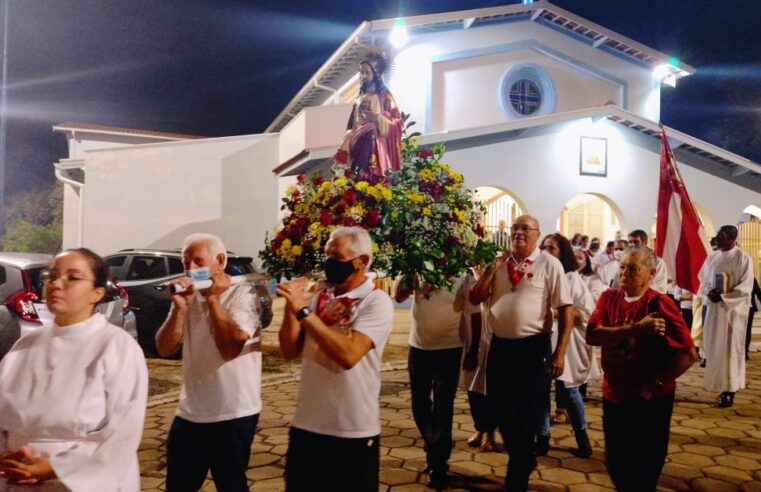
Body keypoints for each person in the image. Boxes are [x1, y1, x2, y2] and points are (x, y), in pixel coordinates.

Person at [0, 248, 148, 491]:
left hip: (81, 481)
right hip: (19, 478)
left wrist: (53, 468)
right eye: (52, 276)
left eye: (73, 277)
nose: (57, 284)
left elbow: (123, 430)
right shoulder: (25, 345)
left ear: (96, 293)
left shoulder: (117, 346)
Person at [277, 226, 394, 492]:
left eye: (336, 256)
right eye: (327, 255)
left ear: (361, 262)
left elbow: (348, 355)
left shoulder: (375, 302)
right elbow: (289, 351)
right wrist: (290, 307)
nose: (329, 263)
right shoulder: (319, 297)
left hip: (351, 429)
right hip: (307, 425)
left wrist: (304, 313)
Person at [470, 215, 573, 492]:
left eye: (525, 229)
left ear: (537, 234)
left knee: (526, 413)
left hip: (532, 348)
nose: (518, 232)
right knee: (500, 410)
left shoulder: (549, 264)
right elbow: (475, 297)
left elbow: (565, 310)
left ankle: (517, 478)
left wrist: (560, 353)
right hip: (500, 347)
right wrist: (491, 270)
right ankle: (524, 456)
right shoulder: (500, 263)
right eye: (515, 228)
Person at [156, 233, 263, 492]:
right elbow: (164, 348)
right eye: (185, 263)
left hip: (233, 413)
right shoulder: (189, 296)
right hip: (190, 412)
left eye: (198, 261)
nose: (191, 269)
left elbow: (231, 347)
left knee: (231, 485)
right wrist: (180, 309)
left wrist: (213, 299)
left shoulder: (244, 293)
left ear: (220, 261)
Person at [587, 247, 697, 492]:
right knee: (616, 459)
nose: (625, 272)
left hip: (649, 398)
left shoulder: (660, 304)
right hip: (614, 393)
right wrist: (636, 329)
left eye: (633, 268)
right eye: (623, 266)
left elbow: (689, 354)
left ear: (651, 273)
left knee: (646, 462)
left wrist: (654, 384)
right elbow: (592, 335)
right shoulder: (609, 298)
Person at [395, 272, 479, 488]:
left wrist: (473, 351)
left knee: (443, 406)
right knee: (419, 404)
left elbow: (475, 313)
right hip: (418, 347)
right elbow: (398, 296)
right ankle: (435, 445)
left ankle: (438, 464)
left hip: (450, 348)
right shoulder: (417, 265)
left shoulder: (463, 273)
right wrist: (412, 276)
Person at [537, 234, 598, 458]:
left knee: (569, 391)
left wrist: (555, 313)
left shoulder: (572, 278)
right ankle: (542, 436)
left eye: (552, 248)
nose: (546, 252)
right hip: (541, 340)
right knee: (541, 391)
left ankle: (582, 436)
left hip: (566, 342)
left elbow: (586, 314)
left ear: (563, 252)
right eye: (543, 247)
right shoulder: (538, 274)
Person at [698, 225, 754, 408]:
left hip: (733, 312)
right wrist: (710, 292)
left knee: (730, 350)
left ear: (733, 238)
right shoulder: (712, 257)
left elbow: (746, 287)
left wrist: (723, 297)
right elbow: (703, 280)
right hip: (715, 310)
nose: (718, 240)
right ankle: (717, 384)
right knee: (715, 347)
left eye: (722, 237)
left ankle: (730, 390)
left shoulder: (743, 258)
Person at [334, 52, 403, 177]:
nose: (363, 76)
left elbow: (397, 122)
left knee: (373, 178)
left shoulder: (385, 97)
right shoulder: (358, 100)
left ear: (376, 74)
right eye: (361, 72)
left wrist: (377, 119)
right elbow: (351, 126)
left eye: (367, 72)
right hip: (358, 145)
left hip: (376, 145)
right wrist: (349, 135)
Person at [746, 278, 761, 361]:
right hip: (748, 308)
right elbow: (758, 293)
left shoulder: (752, 279)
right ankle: (744, 351)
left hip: (748, 308)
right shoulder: (752, 279)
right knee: (747, 330)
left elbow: (758, 293)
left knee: (746, 330)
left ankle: (744, 351)